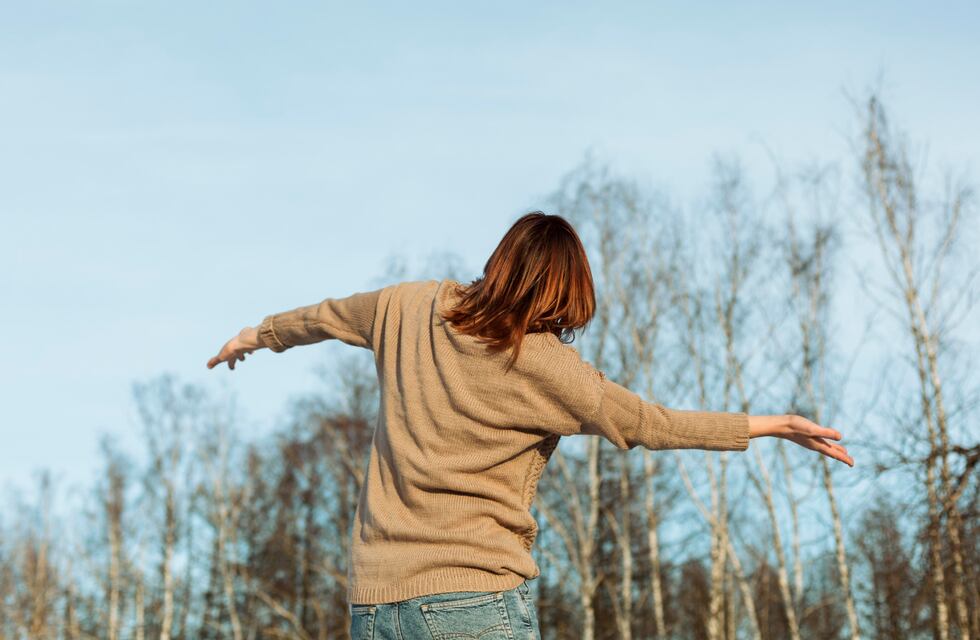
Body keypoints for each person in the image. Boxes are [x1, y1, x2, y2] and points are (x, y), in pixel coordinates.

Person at [207, 211, 853, 639]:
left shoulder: (405, 307)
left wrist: (257, 335)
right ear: (558, 293)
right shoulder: (545, 365)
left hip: (375, 606)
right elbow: (651, 424)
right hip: (476, 603)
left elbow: (324, 316)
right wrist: (769, 425)